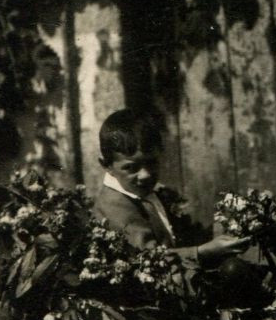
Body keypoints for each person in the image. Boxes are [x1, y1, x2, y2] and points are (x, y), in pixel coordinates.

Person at [93, 108, 250, 268]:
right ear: (107, 166)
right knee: (233, 270)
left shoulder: (148, 193)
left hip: (180, 276)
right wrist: (202, 251)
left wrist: (225, 229)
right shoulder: (115, 208)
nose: (145, 174)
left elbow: (182, 237)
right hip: (154, 284)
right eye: (131, 167)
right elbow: (150, 260)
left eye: (152, 162)